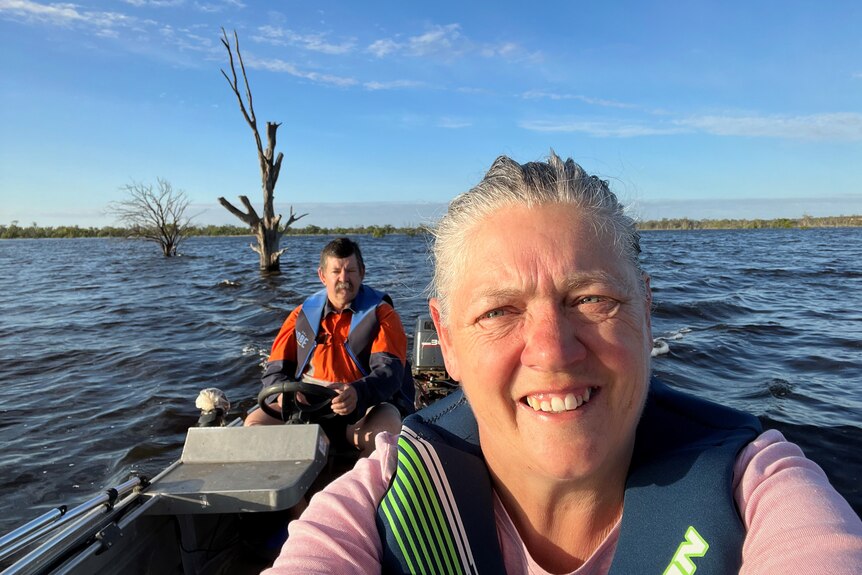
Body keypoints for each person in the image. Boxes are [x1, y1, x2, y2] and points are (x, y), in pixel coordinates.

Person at [262, 154, 862, 574]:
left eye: (593, 299)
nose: (553, 352)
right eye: (499, 311)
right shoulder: (374, 501)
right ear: (446, 339)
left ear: (647, 312)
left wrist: (360, 395)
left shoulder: (757, 484)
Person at [245, 237, 411, 458]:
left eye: (350, 270)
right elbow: (275, 371)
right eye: (336, 271)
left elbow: (389, 373)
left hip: (363, 408)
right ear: (322, 276)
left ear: (362, 272)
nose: (344, 278)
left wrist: (357, 392)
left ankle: (364, 491)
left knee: (385, 434)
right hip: (306, 407)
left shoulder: (383, 315)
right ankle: (291, 491)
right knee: (253, 423)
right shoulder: (300, 315)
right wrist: (284, 396)